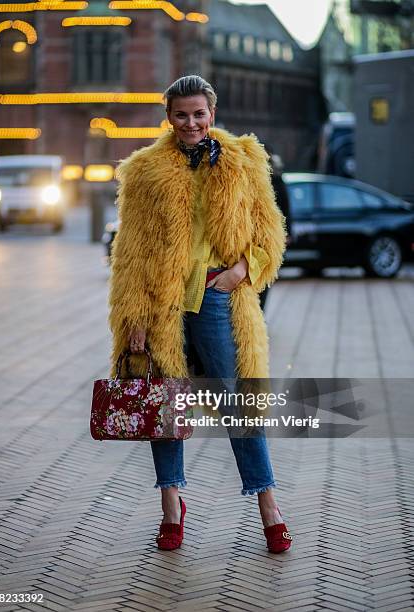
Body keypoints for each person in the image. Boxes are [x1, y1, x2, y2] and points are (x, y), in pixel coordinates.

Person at [108, 75, 292, 554]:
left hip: (216, 297)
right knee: (164, 405)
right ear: (167, 116)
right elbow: (130, 253)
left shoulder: (244, 162)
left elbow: (271, 234)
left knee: (237, 403)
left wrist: (240, 271)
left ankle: (269, 506)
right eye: (180, 114)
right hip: (161, 303)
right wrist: (134, 317)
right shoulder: (145, 171)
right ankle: (172, 506)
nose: (190, 123)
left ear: (211, 112)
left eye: (198, 114)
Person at [259, 149, 292, 311]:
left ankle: (258, 315)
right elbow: (287, 209)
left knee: (263, 278)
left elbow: (285, 209)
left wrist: (287, 233)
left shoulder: (275, 180)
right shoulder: (272, 179)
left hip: (271, 237)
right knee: (263, 280)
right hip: (270, 236)